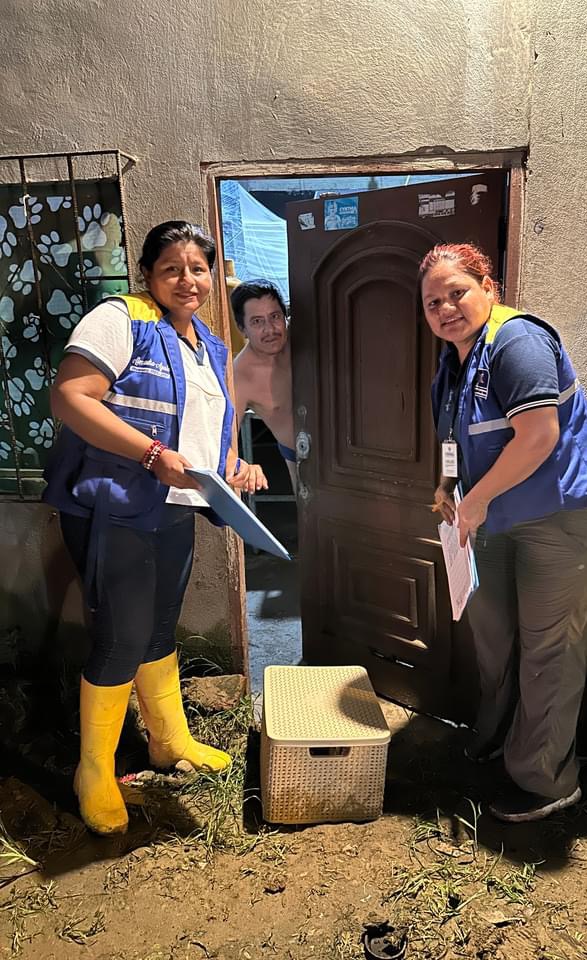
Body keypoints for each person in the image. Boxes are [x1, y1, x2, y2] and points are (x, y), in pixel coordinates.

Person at [43, 220, 265, 836]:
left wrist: (233, 466)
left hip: (174, 508)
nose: (187, 280)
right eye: (172, 268)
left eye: (198, 269)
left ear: (213, 276)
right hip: (114, 507)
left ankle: (168, 741)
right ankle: (94, 771)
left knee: (159, 629)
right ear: (148, 274)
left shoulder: (209, 344)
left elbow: (207, 429)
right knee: (121, 637)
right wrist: (150, 454)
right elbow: (71, 397)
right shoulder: (121, 319)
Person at [419, 242, 587, 824]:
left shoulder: (517, 342)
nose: (445, 309)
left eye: (457, 292)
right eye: (432, 302)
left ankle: (545, 781)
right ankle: (502, 738)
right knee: (497, 635)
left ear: (489, 287)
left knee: (546, 647)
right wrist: (447, 485)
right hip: (498, 517)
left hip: (562, 516)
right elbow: (456, 439)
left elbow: (538, 436)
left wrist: (476, 500)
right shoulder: (453, 364)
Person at [230, 279, 297, 490]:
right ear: (242, 329)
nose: (270, 330)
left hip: (345, 444)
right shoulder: (240, 375)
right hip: (300, 458)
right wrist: (242, 467)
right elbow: (224, 439)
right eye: (257, 322)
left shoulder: (303, 338)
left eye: (275, 317)